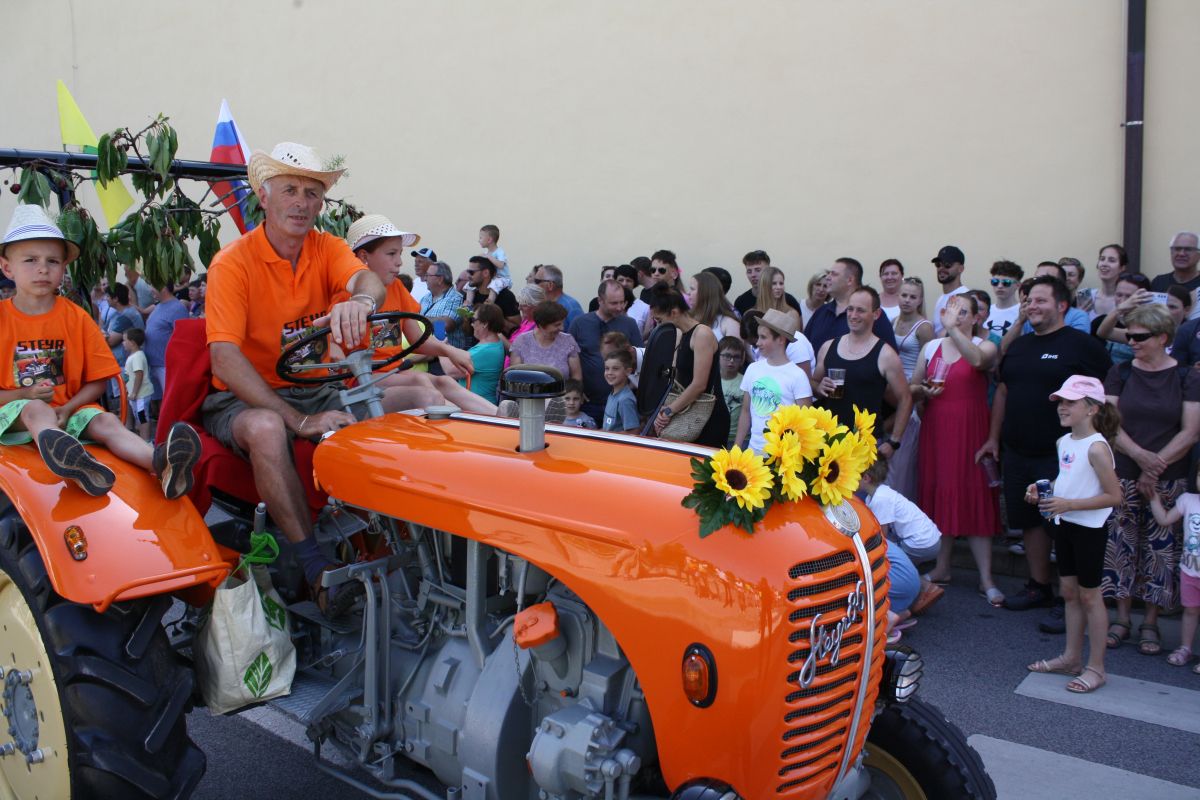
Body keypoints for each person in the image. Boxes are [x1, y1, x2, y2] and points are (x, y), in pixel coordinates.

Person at [203, 141, 392, 616]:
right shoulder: (233, 263)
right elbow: (224, 360)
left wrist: (361, 302)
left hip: (314, 387)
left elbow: (368, 281)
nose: (302, 203)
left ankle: (401, 540)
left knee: (407, 399)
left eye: (312, 193)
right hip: (244, 398)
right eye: (289, 190)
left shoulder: (326, 248)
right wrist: (298, 421)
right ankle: (314, 568)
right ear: (263, 197)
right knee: (268, 428)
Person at [0, 203, 199, 499]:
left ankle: (161, 463)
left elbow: (99, 381)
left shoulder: (77, 317)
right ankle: (66, 456)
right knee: (36, 409)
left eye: (52, 261)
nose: (42, 268)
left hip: (68, 411)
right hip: (13, 415)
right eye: (30, 260)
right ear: (7, 268)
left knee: (106, 421)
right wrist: (25, 394)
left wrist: (68, 409)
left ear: (63, 268)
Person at [977, 276, 1112, 629]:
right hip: (1017, 450)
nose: (1032, 306)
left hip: (1064, 455)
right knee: (1030, 521)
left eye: (1040, 300)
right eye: (1028, 301)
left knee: (1065, 525)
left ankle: (1073, 600)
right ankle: (1039, 587)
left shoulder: (1083, 346)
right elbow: (1003, 392)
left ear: (1062, 305)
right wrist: (993, 438)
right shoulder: (1019, 346)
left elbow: (1103, 397)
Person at [1102, 304, 1200, 655]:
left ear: (1162, 337)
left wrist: (1153, 467)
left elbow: (1190, 431)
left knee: (1160, 550)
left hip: (1169, 479)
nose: (1131, 341)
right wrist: (1141, 457)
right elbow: (1109, 423)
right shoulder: (1121, 371)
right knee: (1121, 545)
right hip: (1124, 474)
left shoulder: (1187, 377)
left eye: (1140, 336)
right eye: (1129, 335)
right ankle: (1121, 618)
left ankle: (1151, 622)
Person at [1025, 376, 1122, 694]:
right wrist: (1042, 489)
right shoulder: (1064, 441)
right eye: (1061, 402)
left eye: (1071, 402)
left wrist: (1069, 504)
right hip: (1065, 523)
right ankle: (1071, 657)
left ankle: (1097, 668)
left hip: (1089, 530)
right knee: (1069, 592)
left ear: (1092, 409)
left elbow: (1114, 496)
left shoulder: (1097, 447)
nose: (1062, 407)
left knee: (1091, 597)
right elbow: (1067, 480)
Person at [337, 215, 490, 414]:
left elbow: (417, 339)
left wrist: (450, 351)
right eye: (391, 254)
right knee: (425, 387)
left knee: (443, 381)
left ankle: (505, 418)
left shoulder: (396, 287)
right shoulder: (345, 294)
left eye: (400, 253)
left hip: (393, 374)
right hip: (360, 381)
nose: (399, 262)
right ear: (364, 257)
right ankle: (471, 424)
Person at [915, 295, 1003, 605]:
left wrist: (952, 329)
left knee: (974, 494)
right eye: (951, 311)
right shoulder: (931, 348)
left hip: (971, 430)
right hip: (937, 428)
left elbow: (978, 361)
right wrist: (923, 390)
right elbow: (912, 386)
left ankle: (987, 578)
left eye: (963, 312)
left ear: (977, 318)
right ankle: (942, 567)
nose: (956, 315)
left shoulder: (986, 344)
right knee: (941, 492)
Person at [812, 287, 911, 457]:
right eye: (850, 309)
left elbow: (905, 399)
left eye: (860, 310)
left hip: (866, 446)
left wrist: (893, 442)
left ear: (876, 314)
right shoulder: (828, 347)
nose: (853, 315)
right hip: (830, 443)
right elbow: (813, 383)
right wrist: (819, 387)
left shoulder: (886, 355)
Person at [646, 287, 730, 447]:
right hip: (687, 412)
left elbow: (699, 384)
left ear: (674, 312)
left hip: (708, 417)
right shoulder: (679, 335)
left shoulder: (702, 334)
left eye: (660, 320)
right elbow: (676, 380)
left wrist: (669, 411)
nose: (658, 326)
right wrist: (662, 411)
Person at [860, 457, 944, 616]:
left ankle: (924, 589)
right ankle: (919, 591)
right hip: (930, 538)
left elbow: (881, 537)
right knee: (899, 562)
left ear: (866, 478)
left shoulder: (880, 500)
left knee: (894, 563)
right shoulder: (881, 493)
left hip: (921, 543)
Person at [1146, 466, 1200, 673]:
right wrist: (1154, 498)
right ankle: (1185, 647)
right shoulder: (1188, 500)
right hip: (1189, 571)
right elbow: (1165, 519)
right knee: (1190, 610)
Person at [735, 309, 812, 453]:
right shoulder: (753, 369)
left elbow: (806, 423)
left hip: (783, 457)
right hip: (753, 453)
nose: (758, 342)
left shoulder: (798, 376)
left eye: (763, 337)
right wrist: (736, 447)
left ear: (781, 340)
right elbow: (745, 411)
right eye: (758, 337)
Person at [570, 280, 643, 423]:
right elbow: (569, 359)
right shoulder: (579, 323)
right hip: (588, 402)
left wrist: (630, 387)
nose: (619, 307)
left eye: (622, 302)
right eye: (614, 303)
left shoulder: (629, 324)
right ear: (600, 301)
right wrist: (576, 390)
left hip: (621, 401)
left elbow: (639, 360)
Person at [805, 257, 898, 354]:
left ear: (849, 280)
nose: (827, 277)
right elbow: (804, 347)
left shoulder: (871, 314)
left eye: (834, 274)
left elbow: (890, 354)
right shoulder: (821, 312)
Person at [510, 301, 582, 381]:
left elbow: (577, 378)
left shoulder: (568, 341)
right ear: (541, 324)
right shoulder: (522, 341)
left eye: (562, 323)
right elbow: (515, 378)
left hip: (562, 389)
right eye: (557, 325)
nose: (562, 328)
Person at [1093, 272, 1153, 366]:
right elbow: (1102, 333)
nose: (1123, 301)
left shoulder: (1149, 327)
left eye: (1129, 297)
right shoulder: (1101, 321)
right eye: (1119, 295)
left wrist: (1120, 309)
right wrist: (1119, 310)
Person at [144, 281, 190, 402]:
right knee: (160, 402)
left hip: (167, 366)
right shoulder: (158, 306)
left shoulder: (177, 308)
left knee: (172, 402)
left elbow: (183, 339)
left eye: (153, 286)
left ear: (163, 287)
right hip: (155, 365)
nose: (150, 289)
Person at [733, 250, 803, 317]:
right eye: (749, 271)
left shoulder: (789, 301)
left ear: (768, 271)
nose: (753, 275)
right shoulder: (741, 302)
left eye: (758, 270)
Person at [1150, 232, 1200, 319]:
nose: (1181, 253)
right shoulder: (1159, 282)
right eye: (1177, 249)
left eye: (1188, 249)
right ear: (1171, 252)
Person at [420, 261, 467, 352]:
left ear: (440, 279)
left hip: (447, 356)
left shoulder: (456, 298)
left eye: (428, 275)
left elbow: (445, 325)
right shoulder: (425, 298)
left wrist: (420, 319)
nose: (425, 279)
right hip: (425, 352)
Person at [464, 257, 520, 330]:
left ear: (486, 273)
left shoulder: (505, 296)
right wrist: (466, 318)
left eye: (471, 272)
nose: (468, 276)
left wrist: (493, 316)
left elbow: (516, 328)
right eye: (467, 272)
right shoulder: (469, 296)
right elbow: (467, 331)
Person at [930, 245, 971, 336]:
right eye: (938, 264)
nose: (941, 268)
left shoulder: (965, 297)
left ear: (961, 269)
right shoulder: (941, 298)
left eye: (947, 265)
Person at [687, 271, 739, 341]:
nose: (688, 293)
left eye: (692, 289)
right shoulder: (689, 318)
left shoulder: (729, 324)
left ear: (705, 292)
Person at [718, 336, 749, 448]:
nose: (731, 361)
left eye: (736, 357)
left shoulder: (746, 382)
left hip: (740, 438)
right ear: (718, 356)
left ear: (742, 360)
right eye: (727, 356)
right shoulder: (711, 380)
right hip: (717, 435)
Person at [123, 328, 154, 440]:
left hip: (140, 394)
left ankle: (146, 441)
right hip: (136, 395)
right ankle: (143, 439)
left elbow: (139, 375)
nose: (123, 343)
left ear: (132, 343)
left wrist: (134, 392)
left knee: (142, 417)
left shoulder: (137, 357)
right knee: (139, 417)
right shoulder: (134, 356)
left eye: (125, 340)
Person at [533, 264, 584, 329]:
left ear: (550, 285)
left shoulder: (571, 307)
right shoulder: (542, 305)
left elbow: (580, 333)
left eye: (537, 281)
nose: (534, 285)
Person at [753, 266, 802, 332]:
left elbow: (797, 338)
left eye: (781, 283)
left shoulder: (792, 315)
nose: (779, 287)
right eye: (774, 283)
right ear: (764, 286)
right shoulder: (753, 314)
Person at [984, 260, 1023, 340]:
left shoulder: (1022, 312)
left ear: (1018, 285)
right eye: (995, 282)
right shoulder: (986, 310)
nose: (1000, 286)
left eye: (1006, 282)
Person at [602, 349, 639, 433]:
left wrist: (609, 437)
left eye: (615, 369)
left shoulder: (625, 400)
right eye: (607, 368)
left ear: (628, 371)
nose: (610, 372)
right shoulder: (612, 394)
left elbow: (633, 431)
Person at [477, 224, 511, 303]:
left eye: (480, 238)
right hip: (492, 279)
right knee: (472, 282)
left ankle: (489, 302)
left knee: (495, 284)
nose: (479, 240)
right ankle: (468, 302)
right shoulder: (486, 253)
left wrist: (489, 257)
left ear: (489, 240)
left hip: (503, 279)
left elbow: (501, 265)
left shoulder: (499, 252)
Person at [1091, 243, 1127, 318]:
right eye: (1102, 259)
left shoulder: (1127, 300)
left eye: (1111, 260)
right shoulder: (1086, 296)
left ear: (1122, 268)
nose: (1104, 264)